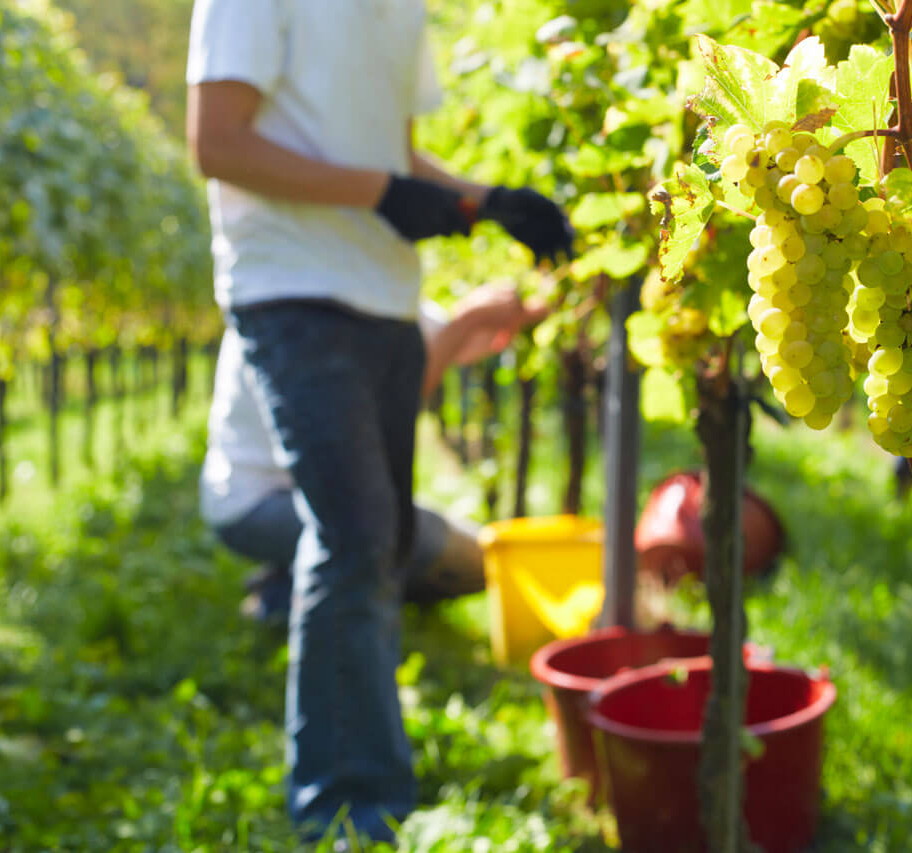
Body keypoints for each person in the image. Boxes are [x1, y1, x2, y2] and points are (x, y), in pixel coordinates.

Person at [185, 0, 573, 842]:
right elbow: (218, 144)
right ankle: (347, 802)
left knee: (382, 537)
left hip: (387, 300)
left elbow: (389, 158)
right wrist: (384, 192)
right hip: (292, 293)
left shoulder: (400, 10)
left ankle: (368, 775)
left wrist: (488, 201)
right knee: (357, 537)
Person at [202, 284, 546, 625]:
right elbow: (398, 400)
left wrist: (524, 309)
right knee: (446, 554)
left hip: (303, 498)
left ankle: (298, 580)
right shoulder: (299, 301)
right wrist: (467, 323)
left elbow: (455, 342)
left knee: (461, 550)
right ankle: (296, 596)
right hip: (256, 506)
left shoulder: (364, 273)